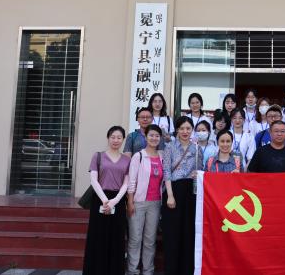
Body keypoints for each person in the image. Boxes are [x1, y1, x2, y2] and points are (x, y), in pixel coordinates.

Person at [83, 126, 130, 275]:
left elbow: (126, 183)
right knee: (98, 237)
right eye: (113, 137)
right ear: (108, 138)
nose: (116, 140)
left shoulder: (127, 160)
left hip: (118, 200)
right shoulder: (98, 156)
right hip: (100, 199)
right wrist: (105, 200)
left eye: (119, 137)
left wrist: (114, 201)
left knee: (116, 238)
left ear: (123, 140)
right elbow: (94, 180)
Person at [161, 116, 204, 275]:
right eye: (182, 128)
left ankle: (187, 270)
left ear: (192, 130)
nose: (185, 131)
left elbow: (201, 171)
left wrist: (197, 174)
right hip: (173, 191)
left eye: (188, 128)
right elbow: (166, 171)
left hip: (191, 194)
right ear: (177, 130)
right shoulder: (169, 147)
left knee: (189, 232)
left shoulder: (197, 149)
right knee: (173, 233)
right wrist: (170, 195)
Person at [127, 124, 163, 275]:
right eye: (151, 135)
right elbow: (131, 181)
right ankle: (133, 270)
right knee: (135, 239)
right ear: (146, 137)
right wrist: (130, 202)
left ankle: (148, 270)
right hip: (138, 202)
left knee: (150, 240)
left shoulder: (162, 156)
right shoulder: (139, 156)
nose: (154, 138)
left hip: (155, 203)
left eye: (157, 136)